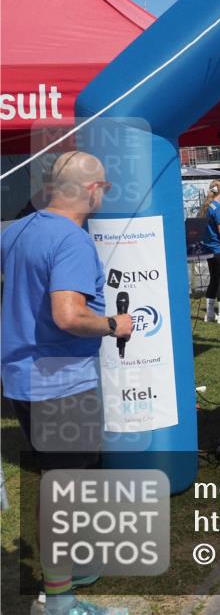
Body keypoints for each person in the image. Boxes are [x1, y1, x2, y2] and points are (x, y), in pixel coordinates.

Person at [1, 150, 133, 615]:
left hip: (23, 379)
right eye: (103, 188)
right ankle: (58, 602)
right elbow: (68, 314)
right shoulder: (73, 241)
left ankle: (69, 570)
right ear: (92, 190)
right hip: (60, 382)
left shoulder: (16, 230)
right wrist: (115, 325)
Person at [199, 179, 220, 323]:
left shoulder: (206, 206)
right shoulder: (218, 208)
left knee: (214, 280)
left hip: (209, 249)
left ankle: (210, 313)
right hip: (219, 249)